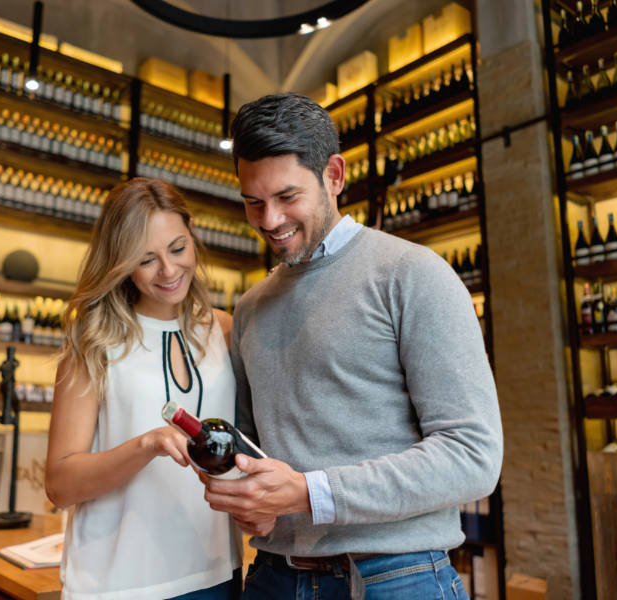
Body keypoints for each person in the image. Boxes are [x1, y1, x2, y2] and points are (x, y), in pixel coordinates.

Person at [197, 93, 503, 599]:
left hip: (397, 576)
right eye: (254, 201)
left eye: (287, 196)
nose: (269, 220)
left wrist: (308, 492)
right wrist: (238, 485)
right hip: (273, 576)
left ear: (334, 176)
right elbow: (250, 446)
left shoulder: (412, 274)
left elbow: (473, 456)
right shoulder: (251, 307)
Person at [45, 178, 243, 600]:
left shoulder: (224, 329)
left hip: (216, 574)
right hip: (119, 584)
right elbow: (60, 485)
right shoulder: (94, 344)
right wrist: (146, 445)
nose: (169, 272)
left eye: (177, 249)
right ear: (122, 262)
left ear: (192, 233)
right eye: (145, 259)